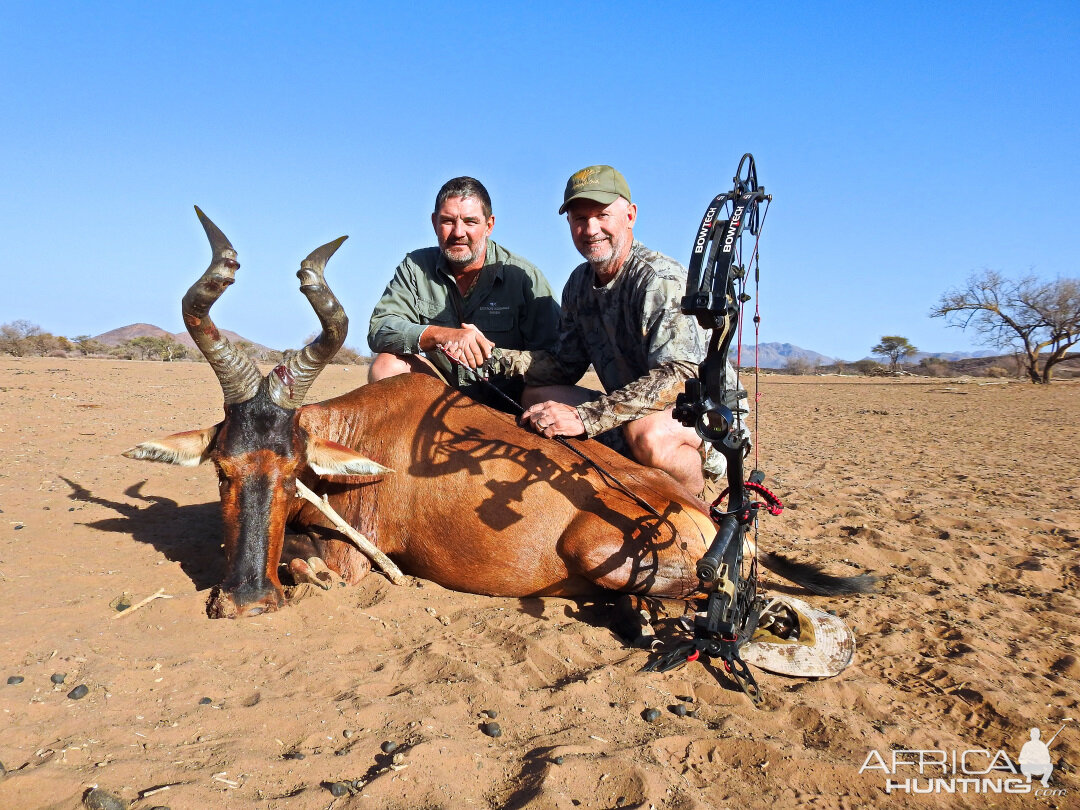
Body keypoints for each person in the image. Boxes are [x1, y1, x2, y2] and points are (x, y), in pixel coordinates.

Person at [491, 165, 743, 494]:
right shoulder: (578, 284)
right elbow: (564, 364)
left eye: (602, 215)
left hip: (698, 416)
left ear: (630, 215)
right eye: (580, 219)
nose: (591, 228)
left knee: (648, 436)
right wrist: (494, 358)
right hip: (626, 409)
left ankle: (700, 510)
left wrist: (586, 418)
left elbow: (680, 375)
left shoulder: (658, 279)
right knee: (536, 397)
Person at [367, 176, 560, 409]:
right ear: (434, 222)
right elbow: (380, 328)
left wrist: (493, 357)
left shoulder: (523, 276)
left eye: (470, 222)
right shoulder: (415, 267)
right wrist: (441, 335)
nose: (458, 232)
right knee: (386, 366)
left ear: (489, 225)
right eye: (448, 221)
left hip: (511, 409)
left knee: (547, 394)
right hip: (440, 402)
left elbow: (557, 358)